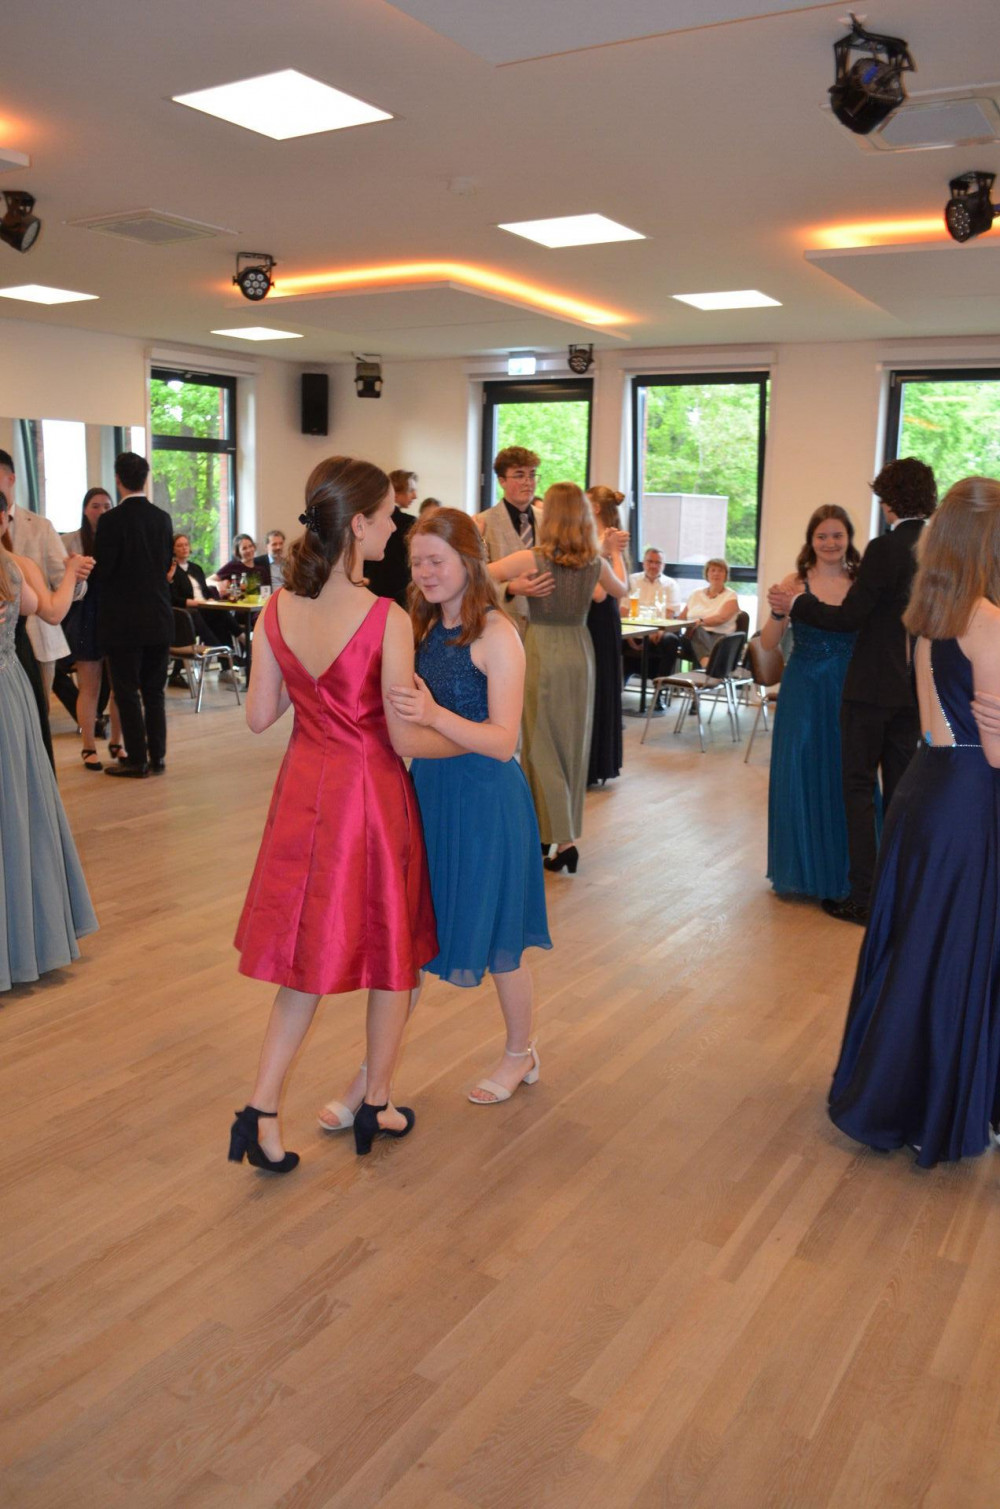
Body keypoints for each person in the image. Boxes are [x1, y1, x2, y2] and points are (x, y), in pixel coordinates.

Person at [229, 456, 453, 1171]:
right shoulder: (386, 617)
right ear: (357, 524)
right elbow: (402, 737)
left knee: (304, 958)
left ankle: (260, 1112)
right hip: (370, 797)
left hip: (305, 791)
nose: (396, 528)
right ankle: (375, 1103)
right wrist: (472, 739)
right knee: (392, 956)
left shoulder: (277, 609)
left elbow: (259, 716)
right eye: (387, 516)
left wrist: (311, 685)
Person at [827, 476, 1000, 1167]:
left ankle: (899, 1095)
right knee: (952, 954)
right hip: (968, 801)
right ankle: (933, 1105)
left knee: (919, 951)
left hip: (927, 789)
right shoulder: (987, 621)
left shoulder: (930, 614)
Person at [384, 508, 551, 1104]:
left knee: (501, 942)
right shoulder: (422, 626)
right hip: (431, 793)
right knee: (411, 939)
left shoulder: (497, 634)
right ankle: (372, 1077)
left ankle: (520, 1053)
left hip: (486, 801)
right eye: (417, 562)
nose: (425, 572)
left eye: (437, 560)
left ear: (468, 561)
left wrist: (433, 716)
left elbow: (503, 742)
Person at [768, 458, 937, 925]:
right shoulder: (937, 546)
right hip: (911, 687)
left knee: (858, 789)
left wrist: (799, 603)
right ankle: (901, 889)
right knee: (900, 792)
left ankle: (863, 895)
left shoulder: (885, 548)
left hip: (869, 690)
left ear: (888, 502)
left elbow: (849, 618)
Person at [489, 482, 627, 872]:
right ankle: (556, 836)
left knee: (540, 745)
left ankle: (560, 839)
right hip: (581, 652)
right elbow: (621, 588)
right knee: (571, 744)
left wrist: (512, 588)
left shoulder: (531, 558)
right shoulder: (594, 563)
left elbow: (477, 576)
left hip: (543, 650)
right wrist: (614, 552)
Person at [0, 489, 98, 991]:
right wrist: (74, 572)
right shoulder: (12, 566)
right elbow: (56, 612)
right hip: (7, 695)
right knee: (16, 809)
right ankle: (22, 941)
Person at [761, 505, 861, 901]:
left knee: (844, 773)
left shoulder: (861, 582)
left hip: (849, 687)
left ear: (849, 538)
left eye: (837, 535)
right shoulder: (794, 583)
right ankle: (801, 871)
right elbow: (768, 643)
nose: (830, 543)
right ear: (811, 540)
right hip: (803, 688)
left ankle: (847, 869)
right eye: (822, 536)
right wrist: (776, 610)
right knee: (800, 771)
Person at [92, 452, 174, 778]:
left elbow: (104, 571)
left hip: (123, 621)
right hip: (158, 616)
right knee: (154, 692)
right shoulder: (162, 519)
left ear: (118, 479)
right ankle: (158, 757)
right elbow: (164, 564)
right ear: (145, 478)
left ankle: (137, 759)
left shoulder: (110, 521)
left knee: (126, 692)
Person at [62, 488, 123, 771]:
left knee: (120, 685)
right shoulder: (71, 541)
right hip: (86, 614)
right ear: (85, 510)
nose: (101, 511)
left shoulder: (120, 538)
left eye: (107, 506)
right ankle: (88, 746)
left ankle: (118, 742)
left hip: (116, 615)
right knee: (90, 686)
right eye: (96, 506)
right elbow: (61, 581)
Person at [476, 446, 553, 635]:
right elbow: (474, 579)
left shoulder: (550, 521)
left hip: (545, 626)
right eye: (519, 475)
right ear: (502, 481)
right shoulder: (483, 523)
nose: (528, 482)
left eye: (532, 475)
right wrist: (509, 588)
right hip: (502, 624)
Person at [586, 486, 629, 784]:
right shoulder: (601, 541)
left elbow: (602, 592)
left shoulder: (603, 542)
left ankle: (595, 763)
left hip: (599, 621)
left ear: (595, 508)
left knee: (600, 687)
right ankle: (597, 763)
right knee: (599, 687)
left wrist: (610, 552)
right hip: (601, 621)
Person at [621, 545, 683, 684]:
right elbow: (623, 611)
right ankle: (615, 687)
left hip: (657, 635)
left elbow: (669, 615)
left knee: (671, 640)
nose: (653, 566)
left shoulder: (671, 584)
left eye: (658, 562)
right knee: (609, 636)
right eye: (650, 561)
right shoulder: (631, 580)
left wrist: (655, 632)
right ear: (643, 563)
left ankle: (660, 687)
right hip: (631, 633)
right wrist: (629, 637)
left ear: (663, 565)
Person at [363, 468, 416, 607]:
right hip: (400, 595)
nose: (415, 495)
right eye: (410, 490)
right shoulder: (409, 523)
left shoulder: (370, 521)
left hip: (374, 592)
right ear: (396, 494)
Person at [676, 558, 740, 666]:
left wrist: (700, 622)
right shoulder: (696, 594)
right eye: (713, 570)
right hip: (692, 638)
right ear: (707, 574)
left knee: (696, 629)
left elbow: (721, 618)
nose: (716, 573)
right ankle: (710, 668)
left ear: (726, 575)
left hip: (720, 638)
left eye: (720, 570)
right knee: (681, 636)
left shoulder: (731, 595)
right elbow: (681, 618)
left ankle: (708, 668)